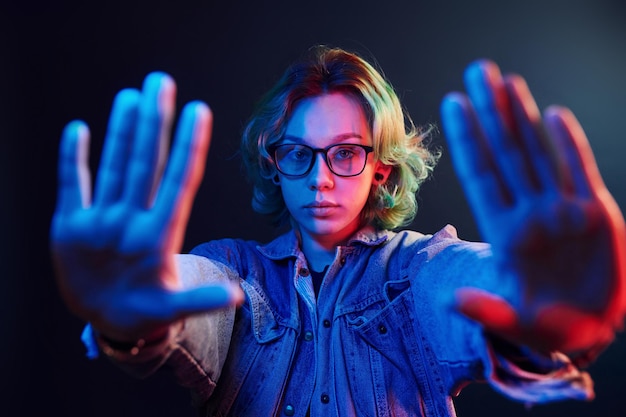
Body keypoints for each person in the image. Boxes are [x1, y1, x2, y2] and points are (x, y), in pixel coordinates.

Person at [51, 46, 626, 416]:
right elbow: (186, 289)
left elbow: (466, 281)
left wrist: (530, 295)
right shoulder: (236, 272)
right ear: (273, 161)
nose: (321, 180)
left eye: (346, 153)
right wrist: (130, 313)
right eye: (299, 153)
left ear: (380, 164)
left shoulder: (417, 270)